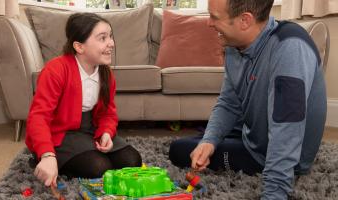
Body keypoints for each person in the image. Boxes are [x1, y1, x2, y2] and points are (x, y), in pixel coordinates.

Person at [169, 0, 327, 199]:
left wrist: (274, 194)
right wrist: (209, 141)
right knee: (185, 149)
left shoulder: (290, 49)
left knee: (181, 151)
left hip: (276, 151)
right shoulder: (235, 45)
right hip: (254, 130)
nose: (209, 23)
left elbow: (286, 130)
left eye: (214, 17)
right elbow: (229, 102)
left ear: (245, 20)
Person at [26, 13, 142, 188]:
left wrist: (106, 133)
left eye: (110, 36)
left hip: (90, 129)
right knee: (98, 168)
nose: (111, 43)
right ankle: (45, 158)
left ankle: (83, 153)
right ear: (79, 47)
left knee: (132, 160)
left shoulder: (106, 74)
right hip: (61, 133)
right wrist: (47, 155)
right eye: (103, 38)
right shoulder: (55, 70)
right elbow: (39, 117)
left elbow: (108, 113)